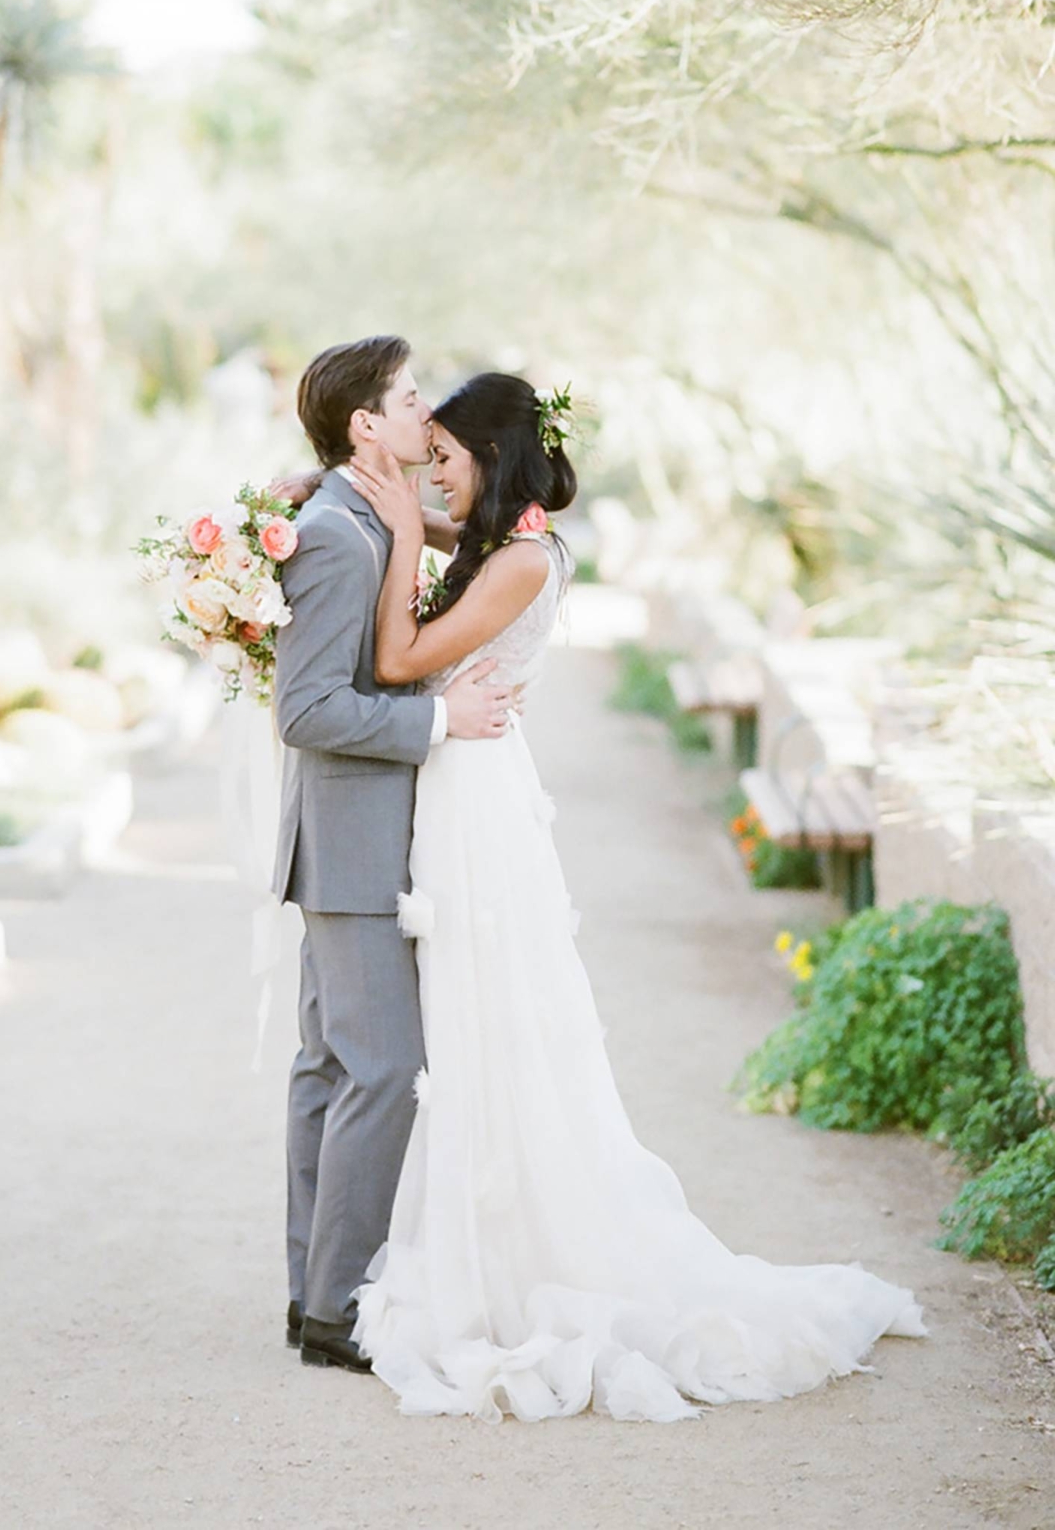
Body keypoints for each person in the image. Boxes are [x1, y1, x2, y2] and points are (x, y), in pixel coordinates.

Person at [342, 370, 927, 1423]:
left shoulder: (519, 563)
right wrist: (392, 516)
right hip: (466, 787)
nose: (433, 485)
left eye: (445, 464)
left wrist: (392, 531)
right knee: (469, 1019)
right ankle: (483, 1238)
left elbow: (396, 657)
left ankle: (508, 1258)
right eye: (428, 469)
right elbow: (442, 567)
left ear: (491, 456)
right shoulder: (502, 548)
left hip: (477, 799)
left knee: (490, 1019)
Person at [271, 337, 515, 1375]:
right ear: (367, 426)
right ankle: (338, 1307)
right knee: (382, 1068)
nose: (427, 418)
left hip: (348, 844)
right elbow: (308, 706)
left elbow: (477, 528)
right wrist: (440, 722)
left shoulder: (356, 513)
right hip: (355, 845)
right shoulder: (338, 535)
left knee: (332, 1070)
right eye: (411, 401)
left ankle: (315, 1297)